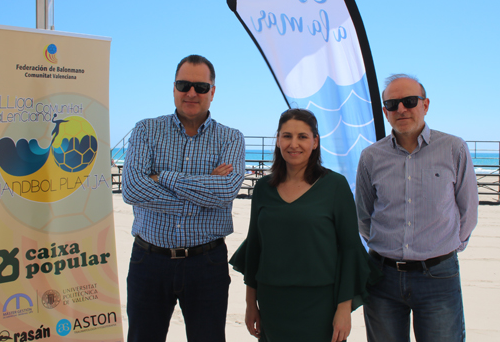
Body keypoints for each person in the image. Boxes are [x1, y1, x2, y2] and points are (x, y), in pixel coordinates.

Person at [122, 54, 246, 342]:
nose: (191, 93)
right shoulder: (146, 130)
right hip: (148, 261)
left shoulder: (231, 138)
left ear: (212, 92)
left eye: (200, 87)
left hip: (207, 264)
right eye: (183, 85)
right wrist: (203, 193)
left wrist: (161, 177)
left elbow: (226, 190)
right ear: (174, 88)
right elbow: (132, 189)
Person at [230, 108, 382, 342]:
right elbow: (254, 249)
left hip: (321, 304)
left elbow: (349, 249)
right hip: (272, 302)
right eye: (287, 136)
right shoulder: (263, 188)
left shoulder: (335, 185)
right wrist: (251, 304)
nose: (294, 144)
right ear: (278, 140)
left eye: (302, 136)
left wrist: (344, 308)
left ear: (315, 142)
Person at [355, 74, 479, 342]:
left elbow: (468, 209)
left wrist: (447, 248)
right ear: (385, 112)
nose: (401, 109)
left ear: (425, 105)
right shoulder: (371, 157)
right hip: (381, 276)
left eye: (410, 101)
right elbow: (363, 216)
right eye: (392, 104)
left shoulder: (453, 148)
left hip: (438, 275)